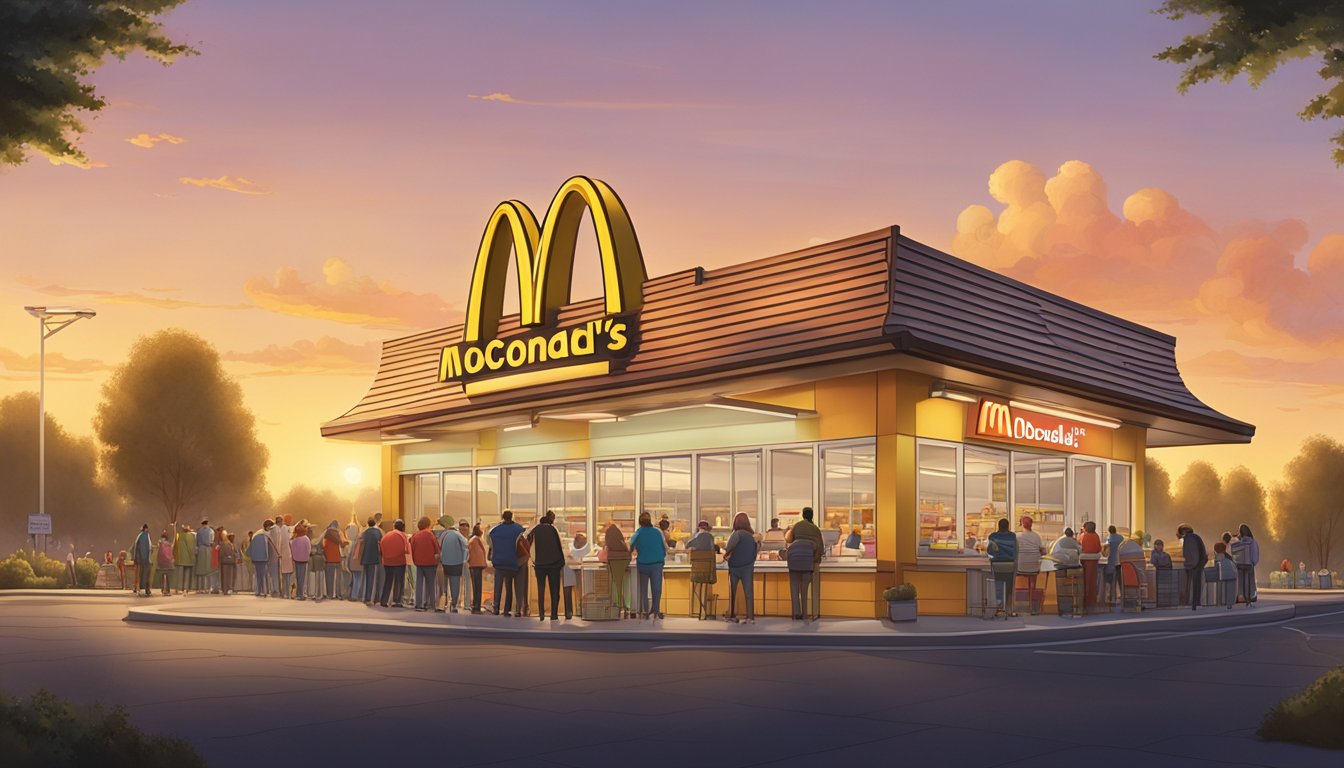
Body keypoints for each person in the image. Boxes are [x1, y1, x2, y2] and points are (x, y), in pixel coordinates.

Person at [785, 506, 825, 620]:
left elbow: (788, 540)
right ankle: (808, 613)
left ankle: (796, 613)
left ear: (803, 515)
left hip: (793, 562)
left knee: (794, 588)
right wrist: (814, 560)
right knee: (806, 589)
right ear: (812, 515)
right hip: (809, 562)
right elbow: (820, 549)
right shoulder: (815, 529)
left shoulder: (797, 526)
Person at [629, 511, 667, 619]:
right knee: (656, 588)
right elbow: (664, 547)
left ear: (640, 522)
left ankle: (645, 611)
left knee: (644, 589)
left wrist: (632, 551)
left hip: (643, 564)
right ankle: (656, 610)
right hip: (657, 564)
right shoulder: (657, 531)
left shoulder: (639, 532)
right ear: (649, 521)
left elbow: (631, 544)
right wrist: (662, 557)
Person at [528, 511, 565, 621]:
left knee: (541, 589)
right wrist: (562, 562)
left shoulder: (535, 529)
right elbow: (559, 546)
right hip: (554, 564)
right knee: (554, 590)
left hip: (539, 565)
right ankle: (554, 614)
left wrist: (533, 560)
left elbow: (528, 543)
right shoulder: (553, 529)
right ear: (552, 519)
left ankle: (541, 614)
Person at [488, 510, 525, 616]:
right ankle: (516, 610)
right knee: (517, 587)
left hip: (499, 563)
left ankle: (496, 607)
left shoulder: (494, 530)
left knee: (498, 586)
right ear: (512, 516)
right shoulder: (519, 529)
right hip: (514, 563)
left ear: (502, 517)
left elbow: (490, 545)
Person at [724, 512, 757, 623]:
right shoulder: (751, 536)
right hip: (748, 566)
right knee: (748, 592)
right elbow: (755, 551)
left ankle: (732, 614)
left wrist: (725, 554)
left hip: (734, 566)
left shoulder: (736, 534)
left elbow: (728, 548)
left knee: (733, 592)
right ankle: (750, 616)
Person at [987, 518, 1018, 617]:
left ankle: (999, 608)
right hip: (1010, 564)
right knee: (1009, 588)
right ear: (1008, 526)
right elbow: (1016, 551)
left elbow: (990, 551)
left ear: (999, 526)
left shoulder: (993, 537)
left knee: (998, 587)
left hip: (997, 564)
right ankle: (1009, 610)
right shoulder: (1013, 537)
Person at [409, 516, 441, 611]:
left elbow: (412, 549)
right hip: (430, 563)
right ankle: (431, 604)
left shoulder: (415, 536)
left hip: (418, 563)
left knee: (419, 584)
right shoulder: (430, 535)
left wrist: (415, 560)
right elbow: (437, 549)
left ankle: (418, 604)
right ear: (428, 524)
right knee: (431, 584)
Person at [438, 519, 469, 613]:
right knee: (455, 584)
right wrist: (464, 560)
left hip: (444, 562)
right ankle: (454, 604)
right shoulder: (457, 534)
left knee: (444, 584)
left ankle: (443, 603)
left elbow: (439, 546)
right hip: (456, 563)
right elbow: (466, 546)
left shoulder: (444, 534)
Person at [379, 518, 411, 608]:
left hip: (387, 562)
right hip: (399, 561)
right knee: (399, 581)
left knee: (388, 581)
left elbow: (381, 548)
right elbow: (406, 550)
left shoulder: (386, 535)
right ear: (403, 527)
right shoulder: (402, 535)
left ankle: (384, 600)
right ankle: (396, 601)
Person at [1016, 516, 1044, 611]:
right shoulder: (1037, 536)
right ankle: (1032, 601)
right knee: (1032, 578)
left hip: (1020, 567)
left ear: (1021, 524)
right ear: (1031, 524)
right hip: (1033, 567)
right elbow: (1043, 551)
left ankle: (1014, 602)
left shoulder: (1017, 536)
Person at [604, 521, 631, 617]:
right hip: (625, 559)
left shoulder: (608, 534)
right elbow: (626, 547)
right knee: (625, 582)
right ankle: (627, 606)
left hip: (614, 560)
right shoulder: (618, 534)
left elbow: (606, 549)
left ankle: (617, 606)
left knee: (615, 582)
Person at [1179, 524, 1208, 611]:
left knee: (1192, 585)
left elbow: (1190, 553)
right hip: (1199, 565)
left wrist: (1189, 564)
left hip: (1194, 566)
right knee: (1197, 584)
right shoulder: (1196, 537)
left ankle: (1193, 603)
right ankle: (1196, 602)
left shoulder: (1189, 539)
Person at [563, 531, 590, 620]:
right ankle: (571, 611)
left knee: (579, 590)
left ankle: (577, 610)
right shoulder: (570, 546)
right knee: (574, 590)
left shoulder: (580, 546)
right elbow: (567, 555)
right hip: (569, 569)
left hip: (575, 569)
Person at [1232, 524, 1260, 606]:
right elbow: (1255, 555)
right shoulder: (1253, 542)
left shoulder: (1239, 542)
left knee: (1240, 582)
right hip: (1249, 565)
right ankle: (1250, 597)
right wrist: (1253, 563)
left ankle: (1241, 597)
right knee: (1250, 582)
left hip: (1239, 565)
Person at [249, 520, 278, 597]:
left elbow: (250, 548)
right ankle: (264, 591)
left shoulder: (256, 534)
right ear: (267, 527)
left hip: (255, 559)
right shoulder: (264, 535)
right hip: (263, 559)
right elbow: (269, 547)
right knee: (263, 575)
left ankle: (258, 591)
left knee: (258, 575)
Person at [358, 517, 383, 603]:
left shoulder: (365, 532)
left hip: (365, 557)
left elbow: (359, 537)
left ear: (368, 524)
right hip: (374, 558)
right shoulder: (378, 532)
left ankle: (364, 597)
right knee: (373, 578)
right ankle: (371, 598)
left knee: (365, 578)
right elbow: (381, 541)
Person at [320, 521, 346, 601]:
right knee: (338, 578)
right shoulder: (339, 533)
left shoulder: (326, 534)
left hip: (328, 559)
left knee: (329, 578)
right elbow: (343, 544)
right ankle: (339, 594)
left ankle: (329, 594)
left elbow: (323, 546)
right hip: (338, 558)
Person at [1078, 521, 1102, 609]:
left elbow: (1080, 548)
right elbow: (1099, 549)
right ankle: (1092, 600)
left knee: (1084, 580)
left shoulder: (1083, 536)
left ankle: (1084, 600)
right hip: (1094, 561)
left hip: (1084, 561)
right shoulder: (1096, 536)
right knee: (1092, 581)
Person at [1102, 524, 1124, 606]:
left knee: (1110, 579)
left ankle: (1110, 596)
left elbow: (1106, 550)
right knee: (1120, 579)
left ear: (1109, 531)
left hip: (1111, 561)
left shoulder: (1109, 539)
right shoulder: (1121, 538)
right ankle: (1121, 595)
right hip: (1120, 561)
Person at [468, 523, 487, 613]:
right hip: (476, 565)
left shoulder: (474, 540)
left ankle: (476, 605)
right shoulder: (475, 540)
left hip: (475, 565)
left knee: (477, 587)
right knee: (477, 587)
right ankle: (476, 606)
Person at [195, 517, 217, 594]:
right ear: (207, 524)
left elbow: (197, 543)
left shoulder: (199, 531)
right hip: (208, 550)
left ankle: (201, 588)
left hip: (201, 550)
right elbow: (212, 541)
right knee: (208, 569)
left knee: (201, 569)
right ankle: (209, 587)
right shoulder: (211, 531)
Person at [290, 523, 311, 601]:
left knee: (298, 578)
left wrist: (294, 557)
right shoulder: (306, 539)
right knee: (303, 578)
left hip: (296, 560)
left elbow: (292, 550)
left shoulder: (295, 540)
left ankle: (298, 594)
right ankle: (301, 594)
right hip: (304, 560)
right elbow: (308, 550)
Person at [1213, 541, 1238, 609]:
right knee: (1230, 590)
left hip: (1222, 576)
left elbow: (1216, 568)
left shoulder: (1218, 557)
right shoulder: (1229, 556)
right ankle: (1229, 603)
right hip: (1231, 575)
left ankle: (1221, 602)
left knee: (1222, 590)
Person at [514, 526, 532, 616]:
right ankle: (520, 608)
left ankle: (522, 607)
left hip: (520, 564)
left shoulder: (521, 539)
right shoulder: (521, 539)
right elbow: (525, 552)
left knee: (521, 587)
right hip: (522, 565)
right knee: (521, 587)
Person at [132, 524, 153, 597]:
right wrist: (146, 559)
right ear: (146, 529)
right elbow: (147, 548)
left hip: (139, 559)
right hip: (145, 559)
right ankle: (147, 590)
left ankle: (137, 588)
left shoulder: (139, 536)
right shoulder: (145, 536)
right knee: (146, 575)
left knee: (139, 575)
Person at [174, 523, 195, 595]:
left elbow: (175, 545)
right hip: (188, 558)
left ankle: (179, 588)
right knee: (187, 574)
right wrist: (192, 556)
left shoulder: (179, 535)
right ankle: (186, 588)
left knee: (180, 574)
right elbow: (191, 547)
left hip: (180, 557)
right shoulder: (190, 536)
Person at [218, 530, 239, 595]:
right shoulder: (231, 545)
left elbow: (221, 554)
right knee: (230, 576)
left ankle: (225, 589)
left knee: (225, 576)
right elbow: (236, 553)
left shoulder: (223, 545)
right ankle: (229, 588)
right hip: (231, 562)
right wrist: (232, 557)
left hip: (225, 562)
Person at [155, 531, 175, 595]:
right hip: (168, 563)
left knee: (163, 576)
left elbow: (159, 553)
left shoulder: (160, 544)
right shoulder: (169, 544)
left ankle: (163, 589)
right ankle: (168, 590)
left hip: (161, 563)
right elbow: (171, 552)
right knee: (167, 576)